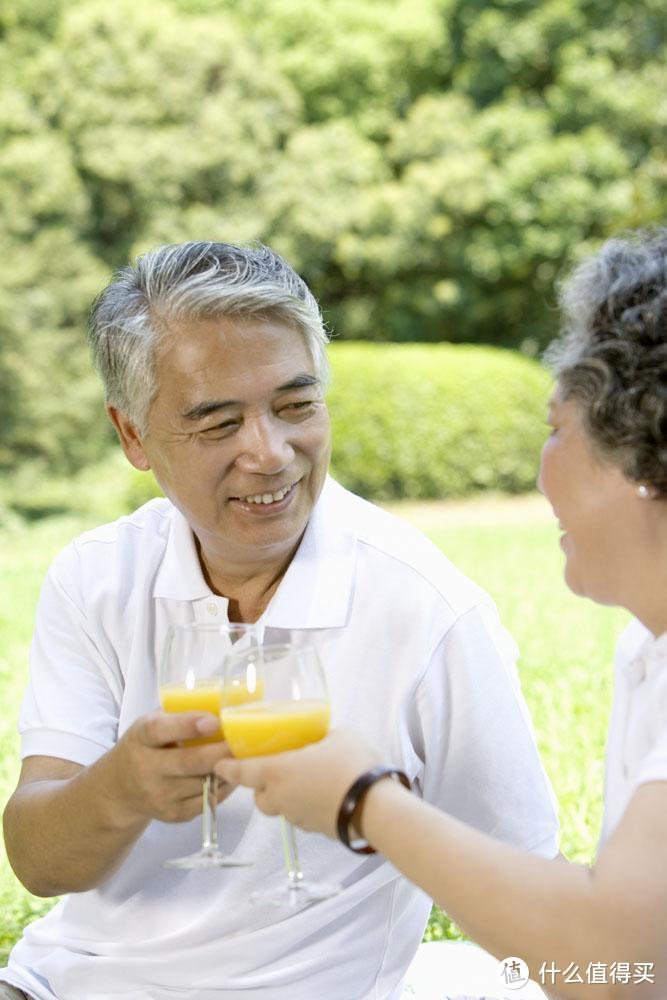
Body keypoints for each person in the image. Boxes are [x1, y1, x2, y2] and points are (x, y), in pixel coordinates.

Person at [1, 241, 558, 1000]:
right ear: (132, 434)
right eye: (218, 422)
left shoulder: (424, 608)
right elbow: (38, 864)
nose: (269, 453)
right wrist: (123, 787)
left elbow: (534, 895)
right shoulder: (95, 578)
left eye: (295, 406)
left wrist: (368, 808)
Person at [217, 228, 667, 999]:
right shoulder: (646, 647)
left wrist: (365, 802)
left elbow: (616, 968)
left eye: (555, 429)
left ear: (641, 455)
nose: (537, 471)